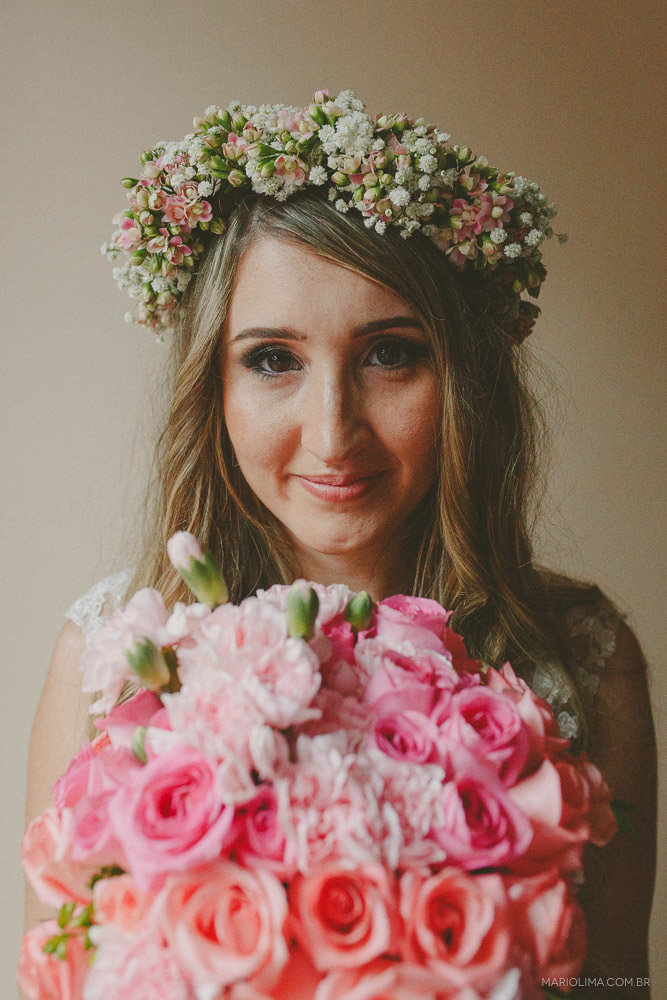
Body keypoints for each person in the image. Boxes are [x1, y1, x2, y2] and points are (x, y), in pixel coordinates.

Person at [25, 90, 656, 991]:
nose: (332, 432)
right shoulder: (110, 655)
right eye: (273, 359)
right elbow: (63, 968)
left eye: (389, 354)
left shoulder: (583, 657)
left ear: (463, 379)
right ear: (215, 388)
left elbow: (616, 982)